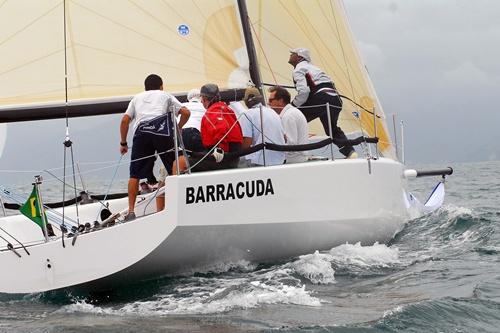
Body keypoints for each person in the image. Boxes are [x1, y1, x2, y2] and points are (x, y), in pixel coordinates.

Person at [120, 74, 190, 220]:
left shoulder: (137, 98)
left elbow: (124, 121)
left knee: (134, 174)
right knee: (176, 163)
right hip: (161, 130)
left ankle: (131, 211)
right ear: (161, 86)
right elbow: (186, 112)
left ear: (145, 87)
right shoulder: (165, 95)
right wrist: (178, 127)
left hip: (142, 132)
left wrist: (123, 143)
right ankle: (179, 204)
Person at [288, 48, 357, 159]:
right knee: (332, 129)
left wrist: (291, 107)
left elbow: (304, 92)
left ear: (299, 57)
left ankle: (294, 154)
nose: (290, 54)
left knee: (292, 119)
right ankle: (350, 153)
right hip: (336, 99)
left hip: (320, 98)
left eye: (293, 53)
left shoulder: (298, 69)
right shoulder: (316, 68)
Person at [239, 87, 285, 166]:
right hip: (279, 160)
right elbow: (284, 138)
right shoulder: (272, 112)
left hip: (260, 161)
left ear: (246, 101)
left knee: (235, 162)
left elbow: (247, 143)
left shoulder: (246, 115)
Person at [268, 86, 309, 163]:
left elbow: (290, 144)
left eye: (271, 100)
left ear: (280, 101)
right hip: (298, 158)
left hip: (293, 160)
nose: (268, 103)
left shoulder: (288, 116)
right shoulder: (291, 112)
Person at [180, 88, 206, 153]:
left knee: (183, 159)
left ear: (188, 98)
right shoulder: (205, 107)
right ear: (201, 98)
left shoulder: (181, 106)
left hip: (181, 135)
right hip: (197, 133)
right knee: (200, 159)